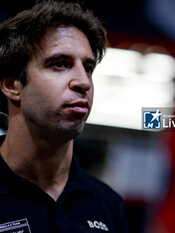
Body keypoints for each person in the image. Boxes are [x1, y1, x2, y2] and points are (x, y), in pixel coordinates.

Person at [0, 1, 128, 232]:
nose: (84, 82)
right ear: (12, 85)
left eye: (88, 68)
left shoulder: (108, 206)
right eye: (60, 64)